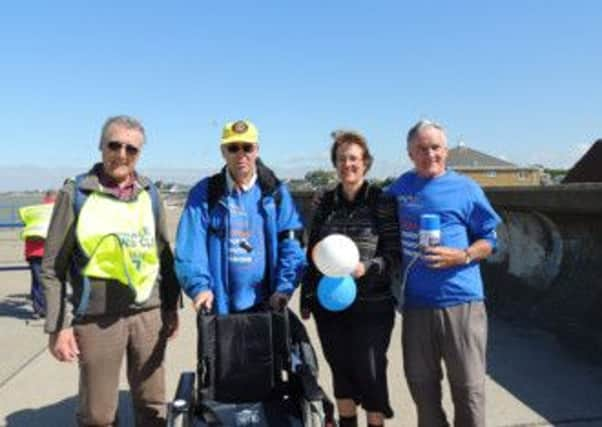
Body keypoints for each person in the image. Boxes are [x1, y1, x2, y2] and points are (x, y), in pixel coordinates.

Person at [41, 115, 180, 427]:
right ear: (101, 146)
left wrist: (171, 306)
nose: (121, 154)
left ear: (139, 154)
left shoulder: (149, 193)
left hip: (148, 314)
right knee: (98, 415)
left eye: (131, 149)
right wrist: (58, 326)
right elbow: (51, 268)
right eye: (114, 145)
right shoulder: (75, 194)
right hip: (97, 319)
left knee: (153, 406)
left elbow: (163, 255)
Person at [385, 120, 501, 427]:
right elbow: (366, 205)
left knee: (469, 391)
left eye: (435, 147)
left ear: (445, 151)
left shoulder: (466, 188)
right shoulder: (400, 187)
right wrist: (327, 197)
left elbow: (490, 240)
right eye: (421, 149)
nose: (430, 154)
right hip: (417, 306)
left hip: (462, 302)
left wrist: (462, 255)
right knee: (422, 390)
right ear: (410, 153)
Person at [300, 130, 400, 427]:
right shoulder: (324, 201)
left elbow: (394, 254)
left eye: (354, 158)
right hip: (330, 303)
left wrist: (367, 267)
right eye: (342, 159)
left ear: (365, 162)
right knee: (340, 371)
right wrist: (307, 295)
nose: (348, 164)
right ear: (335, 163)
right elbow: (312, 253)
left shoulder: (381, 200)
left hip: (373, 304)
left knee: (370, 372)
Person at [175, 119, 305, 315]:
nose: (241, 154)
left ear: (257, 150)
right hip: (217, 306)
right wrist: (199, 288)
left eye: (247, 147)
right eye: (233, 148)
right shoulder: (204, 192)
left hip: (266, 303)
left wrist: (284, 288)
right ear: (223, 152)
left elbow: (291, 243)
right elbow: (190, 247)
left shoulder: (276, 193)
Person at [19, 189, 56, 318]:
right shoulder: (56, 211)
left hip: (32, 251)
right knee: (50, 281)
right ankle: (45, 308)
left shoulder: (34, 211)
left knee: (37, 280)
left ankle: (38, 308)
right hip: (50, 250)